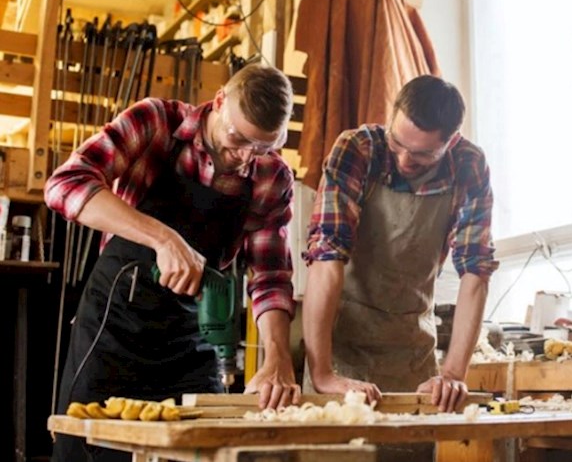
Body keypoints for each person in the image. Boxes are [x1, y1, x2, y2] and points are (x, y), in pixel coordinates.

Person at [46, 64, 300, 462]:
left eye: (263, 146)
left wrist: (277, 356)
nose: (245, 156)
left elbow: (269, 274)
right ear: (219, 102)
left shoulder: (271, 177)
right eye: (238, 138)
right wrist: (162, 237)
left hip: (189, 340)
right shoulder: (157, 122)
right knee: (86, 450)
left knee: (204, 452)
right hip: (112, 333)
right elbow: (65, 185)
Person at [302, 75, 498, 414]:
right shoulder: (358, 150)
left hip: (412, 351)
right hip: (340, 347)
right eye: (397, 144)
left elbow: (476, 272)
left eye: (422, 154)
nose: (405, 160)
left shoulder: (469, 166)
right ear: (392, 117)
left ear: (450, 143)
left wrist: (452, 373)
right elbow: (326, 259)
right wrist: (322, 374)